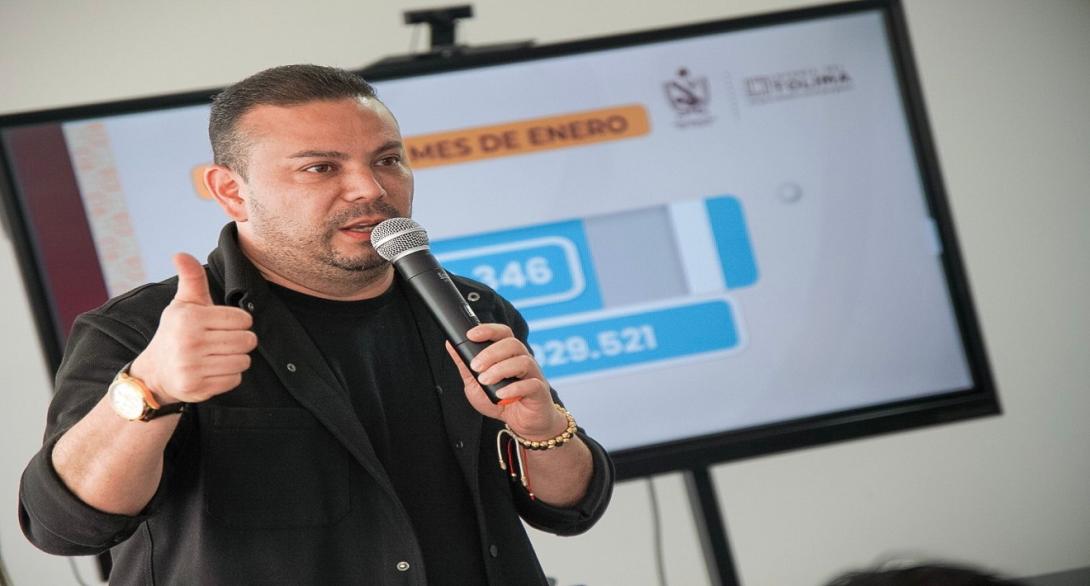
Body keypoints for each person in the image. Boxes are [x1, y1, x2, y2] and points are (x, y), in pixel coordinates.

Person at [19, 64, 614, 586]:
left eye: (387, 160)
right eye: (321, 167)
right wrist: (151, 388)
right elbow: (63, 527)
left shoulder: (471, 308)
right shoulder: (144, 331)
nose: (370, 189)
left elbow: (570, 508)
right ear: (231, 192)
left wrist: (541, 430)